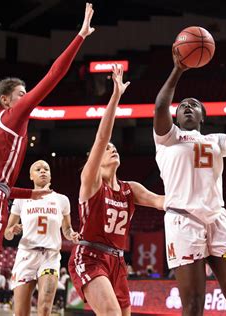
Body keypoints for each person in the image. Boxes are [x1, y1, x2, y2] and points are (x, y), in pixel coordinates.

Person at [0, 3, 94, 311]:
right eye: (21, 93)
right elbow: (54, 74)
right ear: (6, 100)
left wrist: (32, 193)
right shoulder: (12, 115)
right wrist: (80, 36)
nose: (25, 97)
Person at [153, 48, 226, 315]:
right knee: (193, 305)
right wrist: (178, 70)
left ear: (203, 116)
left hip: (218, 220)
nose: (187, 107)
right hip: (183, 221)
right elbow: (160, 105)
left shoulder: (214, 141)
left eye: (194, 105)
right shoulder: (168, 137)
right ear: (175, 117)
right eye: (183, 106)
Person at [68, 64, 164, 316]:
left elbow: (160, 202)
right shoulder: (90, 181)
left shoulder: (130, 189)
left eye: (115, 147)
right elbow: (101, 138)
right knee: (110, 313)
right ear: (96, 160)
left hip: (118, 261)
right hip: (90, 256)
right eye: (108, 149)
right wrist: (115, 97)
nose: (112, 148)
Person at [4, 160, 78, 316]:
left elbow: (66, 228)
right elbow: (7, 234)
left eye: (46, 169)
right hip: (26, 255)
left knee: (44, 309)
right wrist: (12, 229)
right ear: (31, 176)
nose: (43, 171)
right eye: (38, 169)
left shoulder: (62, 200)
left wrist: (71, 234)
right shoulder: (21, 199)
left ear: (50, 175)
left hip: (50, 256)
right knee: (21, 313)